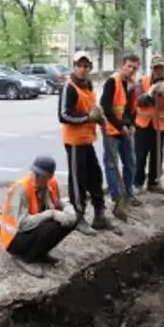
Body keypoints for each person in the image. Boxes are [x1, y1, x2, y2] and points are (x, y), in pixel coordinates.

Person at [58, 51, 115, 235]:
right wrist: (87, 117)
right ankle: (79, 217)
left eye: (86, 66)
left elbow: (92, 109)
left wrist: (98, 116)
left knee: (95, 176)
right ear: (74, 66)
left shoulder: (88, 86)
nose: (82, 69)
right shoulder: (69, 87)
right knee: (78, 180)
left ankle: (99, 215)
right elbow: (64, 115)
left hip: (87, 139)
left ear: (90, 67)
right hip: (74, 142)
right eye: (79, 65)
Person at [0, 156, 78, 278]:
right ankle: (25, 258)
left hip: (30, 230)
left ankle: (39, 253)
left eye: (40, 175)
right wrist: (50, 214)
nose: (35, 177)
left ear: (49, 177)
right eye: (34, 172)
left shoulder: (52, 183)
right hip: (13, 239)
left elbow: (56, 203)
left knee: (69, 222)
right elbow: (23, 224)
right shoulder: (21, 189)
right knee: (51, 225)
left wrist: (68, 208)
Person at [133, 54, 164, 194]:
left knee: (157, 155)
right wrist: (149, 93)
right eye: (156, 68)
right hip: (143, 125)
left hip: (159, 126)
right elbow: (138, 101)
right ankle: (137, 183)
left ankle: (154, 182)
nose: (158, 70)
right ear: (152, 68)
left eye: (160, 67)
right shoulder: (143, 82)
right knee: (140, 155)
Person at [100, 52, 140, 207]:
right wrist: (120, 125)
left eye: (134, 68)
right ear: (122, 65)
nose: (131, 70)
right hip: (111, 130)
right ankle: (117, 197)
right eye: (129, 66)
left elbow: (130, 109)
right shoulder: (112, 81)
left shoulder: (130, 84)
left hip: (123, 130)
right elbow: (106, 107)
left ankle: (128, 193)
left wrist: (131, 125)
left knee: (130, 163)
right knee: (111, 164)